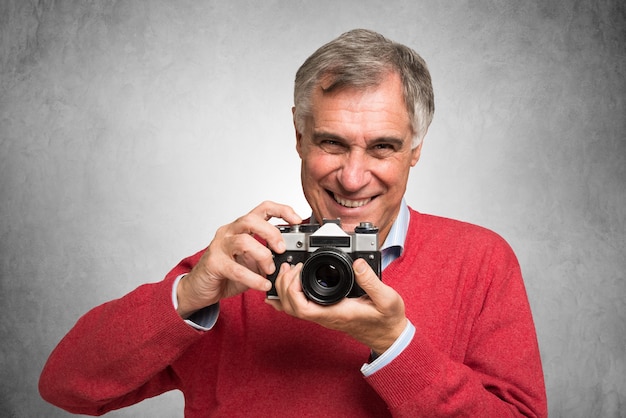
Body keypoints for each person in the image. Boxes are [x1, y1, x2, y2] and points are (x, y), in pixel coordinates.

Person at [39, 29, 547, 417]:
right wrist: (188, 295)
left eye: (382, 147)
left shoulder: (479, 260)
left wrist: (396, 344)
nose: (352, 178)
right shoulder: (247, 262)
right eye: (331, 142)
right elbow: (65, 385)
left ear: (415, 149)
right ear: (299, 135)